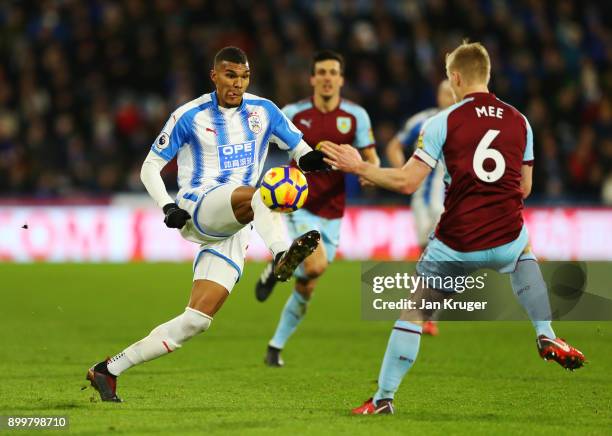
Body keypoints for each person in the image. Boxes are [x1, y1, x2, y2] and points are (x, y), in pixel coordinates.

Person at [321, 41, 585, 415]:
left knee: (413, 313)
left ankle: (383, 398)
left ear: (456, 78)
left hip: (457, 241)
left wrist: (359, 167)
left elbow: (408, 182)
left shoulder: (443, 121)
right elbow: (524, 187)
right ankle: (546, 334)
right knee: (525, 254)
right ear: (487, 75)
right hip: (507, 233)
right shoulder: (520, 120)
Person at [85, 46, 329, 402]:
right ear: (214, 75)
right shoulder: (189, 115)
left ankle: (108, 370)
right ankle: (280, 254)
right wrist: (168, 206)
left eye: (244, 77)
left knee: (196, 320)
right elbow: (149, 167)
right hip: (198, 206)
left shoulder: (265, 111)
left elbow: (301, 150)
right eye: (231, 75)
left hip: (236, 223)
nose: (238, 84)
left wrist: (315, 159)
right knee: (264, 191)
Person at [254, 50, 380, 367]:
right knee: (316, 266)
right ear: (312, 78)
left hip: (334, 211)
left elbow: (371, 156)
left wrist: (369, 172)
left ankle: (274, 347)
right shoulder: (293, 113)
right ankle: (283, 261)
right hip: (297, 203)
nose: (327, 77)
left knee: (308, 284)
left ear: (341, 79)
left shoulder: (356, 116)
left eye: (333, 72)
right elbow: (261, 143)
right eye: (321, 72)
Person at [386, 80, 455, 336]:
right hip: (422, 202)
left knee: (438, 255)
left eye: (451, 92)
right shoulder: (423, 121)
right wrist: (402, 173)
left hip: (450, 202)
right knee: (429, 256)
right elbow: (394, 145)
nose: (447, 97)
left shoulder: (464, 123)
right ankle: (423, 314)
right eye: (443, 93)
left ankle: (424, 314)